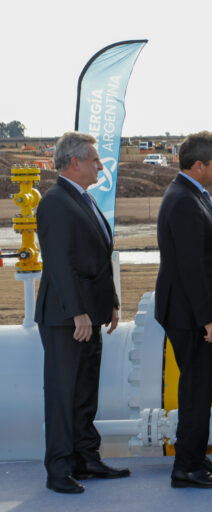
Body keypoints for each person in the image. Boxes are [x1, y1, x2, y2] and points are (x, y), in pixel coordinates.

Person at [35, 132, 128, 494]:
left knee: (85, 391)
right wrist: (77, 312)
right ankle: (59, 470)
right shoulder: (56, 202)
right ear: (74, 162)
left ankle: (86, 459)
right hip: (66, 317)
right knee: (63, 394)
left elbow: (98, 260)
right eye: (94, 160)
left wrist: (112, 302)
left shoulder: (82, 199)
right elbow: (59, 263)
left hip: (89, 313)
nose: (100, 166)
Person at [155, 131, 212, 489]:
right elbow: (190, 267)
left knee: (200, 389)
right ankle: (186, 467)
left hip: (191, 313)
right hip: (190, 316)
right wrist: (208, 317)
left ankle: (195, 455)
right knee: (195, 390)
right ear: (199, 165)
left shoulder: (191, 194)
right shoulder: (184, 200)